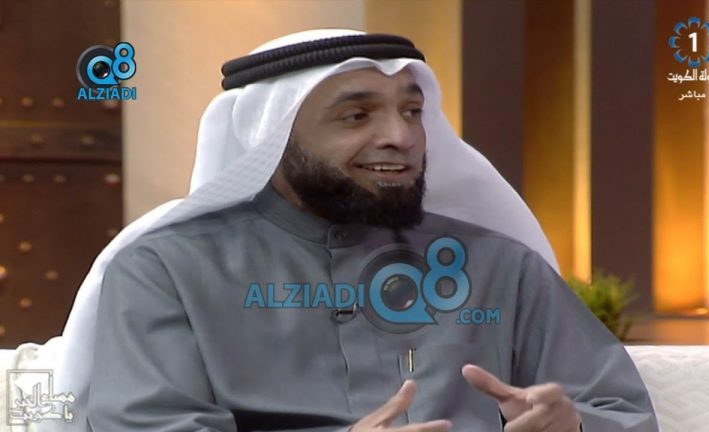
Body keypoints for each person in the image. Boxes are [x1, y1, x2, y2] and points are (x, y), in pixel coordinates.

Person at [46, 29, 657, 432]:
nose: (401, 136)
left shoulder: (500, 267)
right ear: (272, 136)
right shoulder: (166, 271)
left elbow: (622, 411)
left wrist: (573, 424)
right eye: (357, 115)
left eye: (412, 111)